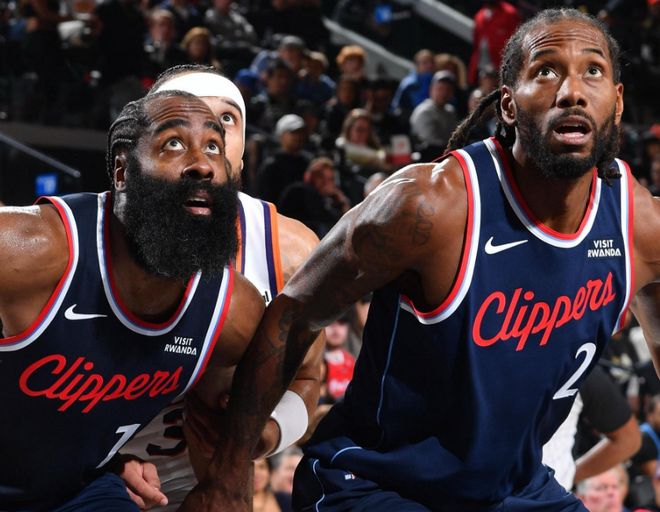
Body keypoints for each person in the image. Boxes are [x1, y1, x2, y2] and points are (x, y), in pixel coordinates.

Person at [179, 8, 660, 511]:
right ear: (508, 105)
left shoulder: (640, 226)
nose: (572, 91)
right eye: (545, 71)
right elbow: (293, 315)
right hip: (376, 484)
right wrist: (228, 475)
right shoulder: (428, 205)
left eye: (593, 70)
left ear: (617, 103)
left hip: (513, 490)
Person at [0, 90, 268, 510]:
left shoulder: (232, 311)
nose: (202, 164)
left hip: (77, 489)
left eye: (213, 146)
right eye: (174, 143)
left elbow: (295, 374)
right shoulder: (29, 249)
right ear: (122, 171)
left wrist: (228, 479)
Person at [117, 65, 323, 510]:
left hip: (218, 487)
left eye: (225, 119)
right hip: (101, 476)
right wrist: (97, 459)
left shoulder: (292, 248)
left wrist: (265, 433)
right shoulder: (95, 236)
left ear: (243, 151)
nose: (208, 133)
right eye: (183, 123)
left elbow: (308, 376)